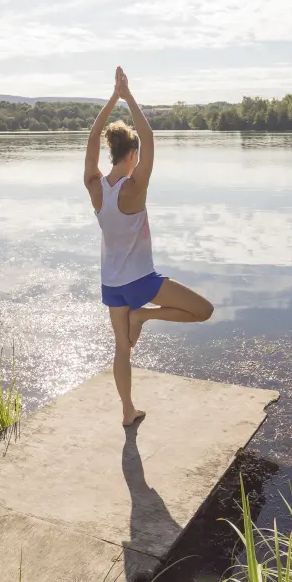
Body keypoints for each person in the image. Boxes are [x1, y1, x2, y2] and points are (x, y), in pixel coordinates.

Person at [84, 67, 214, 426]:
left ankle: (128, 411)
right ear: (131, 154)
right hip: (142, 281)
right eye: (137, 155)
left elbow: (92, 137)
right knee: (204, 310)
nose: (140, 160)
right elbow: (149, 136)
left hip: (111, 284)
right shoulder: (134, 188)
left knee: (121, 348)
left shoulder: (95, 186)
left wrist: (112, 99)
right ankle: (145, 315)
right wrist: (127, 96)